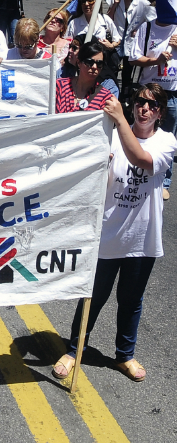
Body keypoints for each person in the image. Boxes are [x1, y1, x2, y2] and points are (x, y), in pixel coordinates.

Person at [53, 86, 175, 383]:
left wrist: (120, 120)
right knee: (93, 296)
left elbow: (142, 160)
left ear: (160, 112)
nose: (144, 109)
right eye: (140, 102)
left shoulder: (166, 141)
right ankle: (73, 350)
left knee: (131, 299)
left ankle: (125, 355)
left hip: (142, 238)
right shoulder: (109, 133)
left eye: (152, 105)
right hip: (108, 234)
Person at [55, 40, 112, 112]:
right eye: (89, 62)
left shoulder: (105, 96)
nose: (94, 67)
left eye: (99, 64)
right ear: (79, 63)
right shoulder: (60, 86)